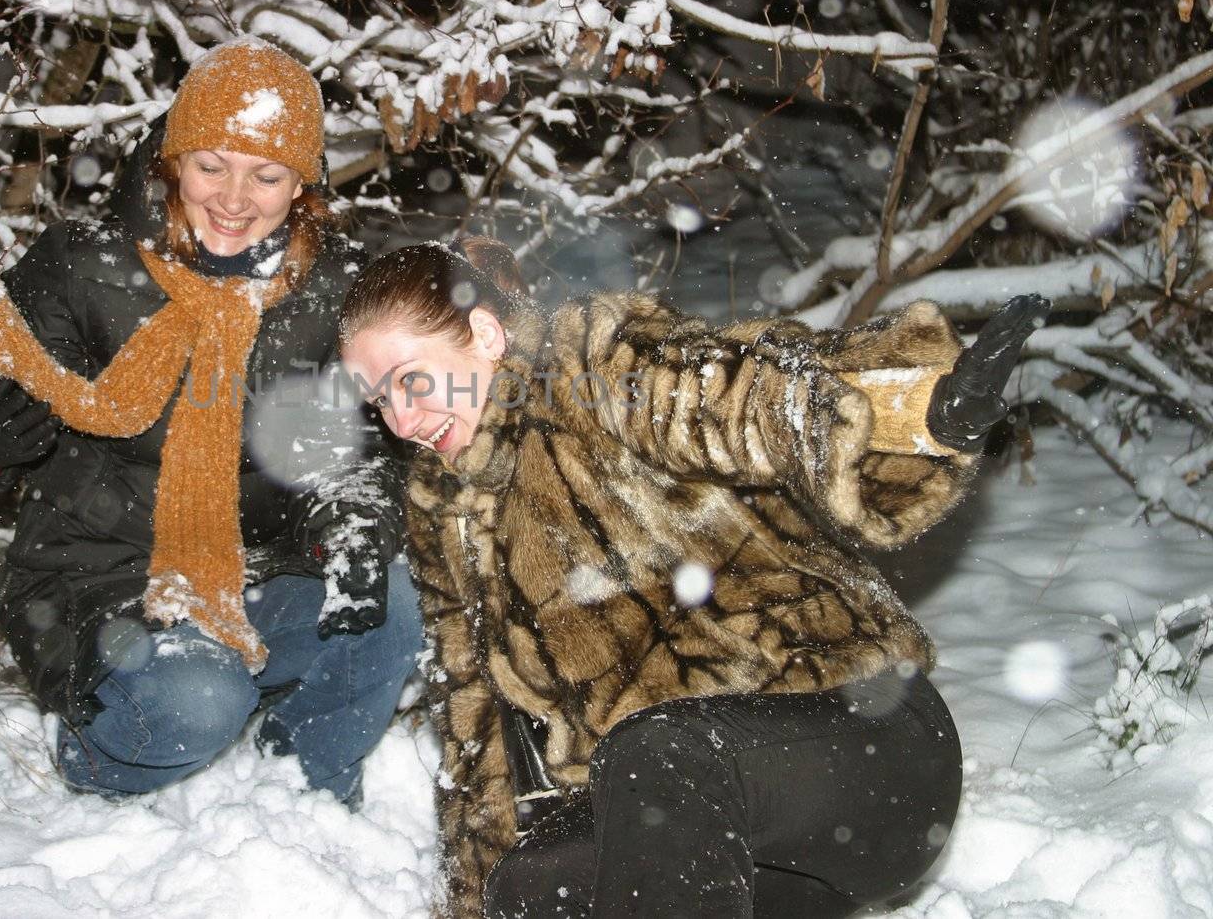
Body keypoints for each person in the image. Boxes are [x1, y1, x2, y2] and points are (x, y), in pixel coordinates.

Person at [337, 237, 1046, 917]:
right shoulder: (444, 508)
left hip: (862, 742)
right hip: (710, 825)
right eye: (379, 401)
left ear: (486, 336)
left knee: (657, 751)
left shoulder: (589, 366)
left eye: (411, 379)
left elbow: (738, 392)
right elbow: (476, 724)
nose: (402, 419)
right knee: (529, 886)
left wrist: (910, 409)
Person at [0, 37, 421, 807]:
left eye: (267, 174)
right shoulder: (82, 264)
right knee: (198, 700)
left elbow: (357, 449)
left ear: (302, 186)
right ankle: (103, 755)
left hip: (262, 564)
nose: (234, 197)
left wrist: (355, 520)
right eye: (210, 165)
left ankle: (301, 788)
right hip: (102, 577)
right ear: (172, 159)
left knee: (393, 603)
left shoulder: (335, 289)